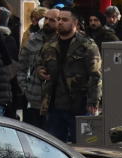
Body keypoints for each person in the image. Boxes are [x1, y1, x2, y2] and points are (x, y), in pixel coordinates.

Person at [37, 9, 100, 143]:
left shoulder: (86, 45)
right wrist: (40, 71)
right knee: (54, 146)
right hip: (54, 105)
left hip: (78, 105)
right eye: (59, 19)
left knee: (82, 146)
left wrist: (93, 101)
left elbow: (96, 74)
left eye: (65, 20)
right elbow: (40, 64)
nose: (60, 22)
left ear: (75, 23)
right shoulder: (50, 44)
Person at [18, 4, 53, 126]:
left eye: (51, 19)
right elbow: (21, 67)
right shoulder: (32, 41)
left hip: (57, 102)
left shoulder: (62, 41)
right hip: (33, 99)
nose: (46, 22)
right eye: (45, 19)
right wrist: (26, 89)